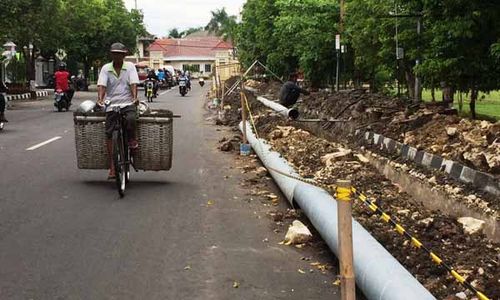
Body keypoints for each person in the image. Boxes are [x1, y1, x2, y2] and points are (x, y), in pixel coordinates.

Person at [97, 42, 140, 179]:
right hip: (112, 104)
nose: (117, 56)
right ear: (111, 54)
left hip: (127, 102)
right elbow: (102, 85)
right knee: (109, 133)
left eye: (120, 54)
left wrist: (134, 98)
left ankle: (131, 139)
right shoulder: (105, 68)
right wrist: (100, 99)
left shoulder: (130, 67)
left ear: (124, 55)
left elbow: (133, 83)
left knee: (131, 119)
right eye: (115, 54)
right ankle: (112, 166)